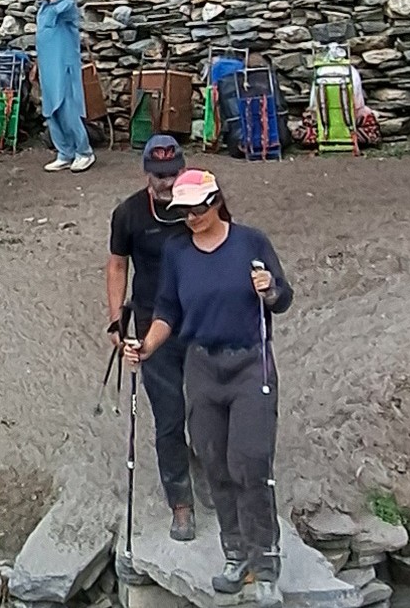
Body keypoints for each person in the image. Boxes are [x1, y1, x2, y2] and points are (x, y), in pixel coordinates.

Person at [131, 169, 291, 603]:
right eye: (183, 211)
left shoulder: (250, 242)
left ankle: (265, 564)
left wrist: (270, 290)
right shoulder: (178, 252)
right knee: (215, 463)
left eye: (198, 208)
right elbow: (167, 309)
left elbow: (283, 298)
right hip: (201, 366)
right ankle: (234, 553)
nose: (191, 217)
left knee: (252, 463)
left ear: (217, 201)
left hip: (249, 365)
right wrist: (145, 346)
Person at [108, 136, 198, 540]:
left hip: (200, 320)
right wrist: (116, 321)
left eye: (174, 173)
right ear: (147, 173)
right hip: (150, 322)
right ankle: (181, 502)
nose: (167, 182)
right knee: (168, 414)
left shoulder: (200, 205)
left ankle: (214, 477)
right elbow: (116, 267)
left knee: (208, 407)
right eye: (160, 175)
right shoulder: (128, 214)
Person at [33, 0, 94, 172]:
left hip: (64, 67)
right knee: (51, 111)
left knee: (68, 109)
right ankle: (64, 152)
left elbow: (60, 10)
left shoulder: (66, 2)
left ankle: (84, 151)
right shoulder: (42, 8)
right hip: (48, 69)